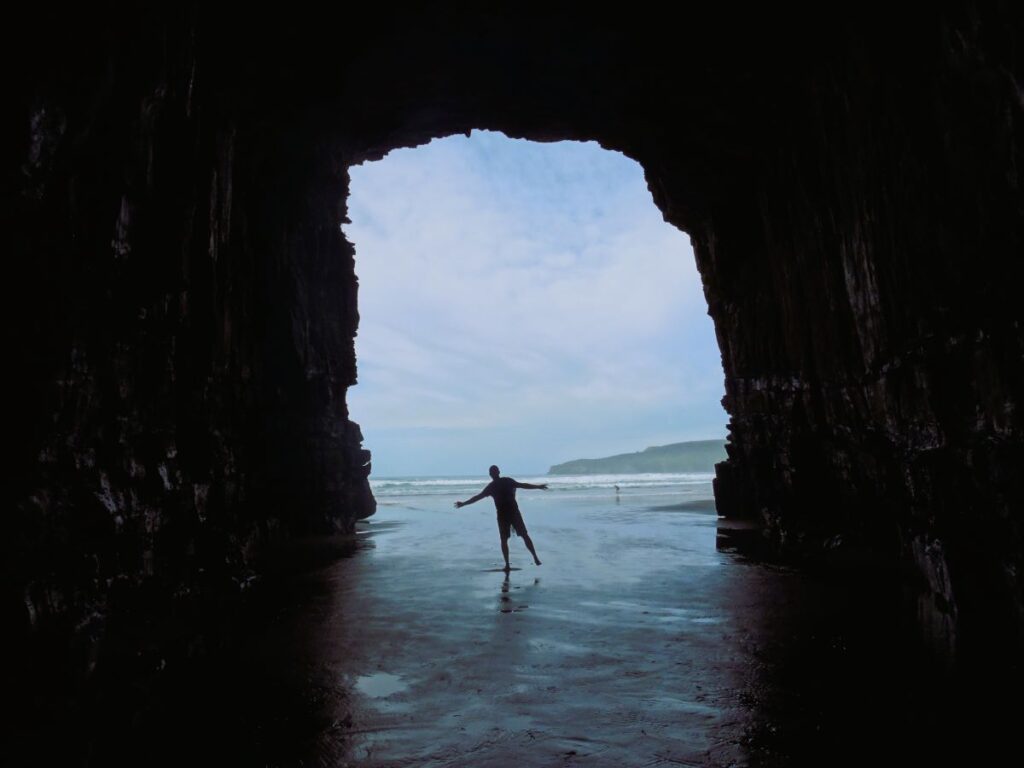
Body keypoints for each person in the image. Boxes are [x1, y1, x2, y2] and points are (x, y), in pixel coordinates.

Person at [455, 465, 547, 571]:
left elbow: (478, 497)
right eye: (493, 472)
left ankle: (512, 563)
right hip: (510, 513)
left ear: (493, 473)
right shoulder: (504, 482)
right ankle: (532, 558)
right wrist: (538, 487)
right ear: (497, 472)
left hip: (507, 514)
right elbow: (523, 485)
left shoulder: (497, 484)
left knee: (508, 539)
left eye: (493, 472)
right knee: (520, 536)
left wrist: (463, 504)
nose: (493, 473)